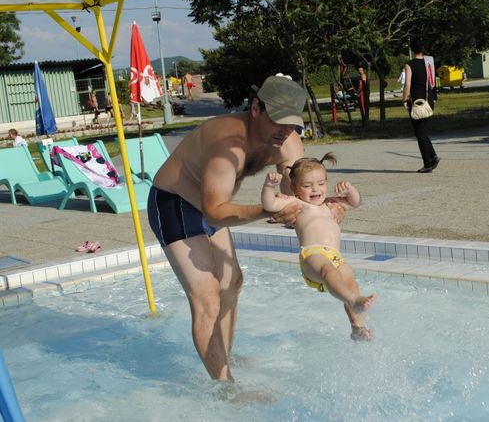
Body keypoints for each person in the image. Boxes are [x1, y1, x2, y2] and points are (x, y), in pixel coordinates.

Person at [148, 75, 344, 382]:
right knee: (207, 296)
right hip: (175, 202)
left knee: (232, 283)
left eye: (291, 123)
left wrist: (324, 213)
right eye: (278, 120)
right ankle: (225, 388)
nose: (285, 130)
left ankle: (223, 357)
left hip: (213, 206)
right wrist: (265, 210)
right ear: (255, 108)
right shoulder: (228, 143)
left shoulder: (288, 141)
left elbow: (298, 194)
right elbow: (215, 212)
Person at [261, 153, 376, 341]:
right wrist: (268, 185)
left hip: (335, 256)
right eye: (307, 186)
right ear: (294, 188)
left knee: (350, 282)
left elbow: (355, 202)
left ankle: (358, 327)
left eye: (321, 183)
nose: (315, 189)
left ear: (327, 182)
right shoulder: (296, 203)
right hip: (312, 255)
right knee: (328, 271)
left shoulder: (331, 203)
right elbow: (269, 203)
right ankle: (354, 301)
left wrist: (350, 189)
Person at [402, 38, 439, 173]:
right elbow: (432, 81)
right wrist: (434, 97)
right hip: (428, 100)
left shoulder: (409, 65)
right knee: (424, 131)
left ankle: (427, 164)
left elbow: (407, 84)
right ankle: (433, 157)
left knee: (420, 134)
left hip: (417, 102)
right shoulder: (429, 62)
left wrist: (404, 99)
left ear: (412, 49)